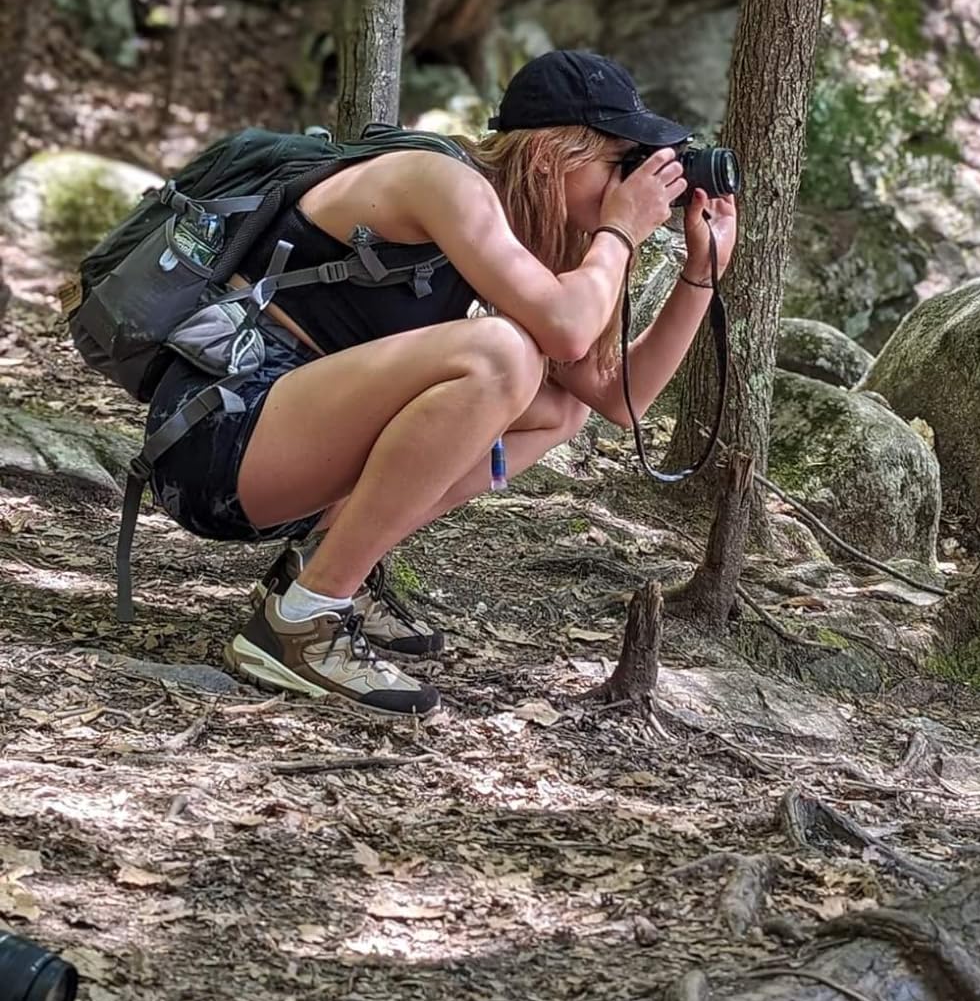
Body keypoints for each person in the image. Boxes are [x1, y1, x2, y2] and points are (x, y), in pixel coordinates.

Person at [145, 50, 738, 721]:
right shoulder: (443, 183)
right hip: (217, 439)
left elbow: (613, 396)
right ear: (551, 156)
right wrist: (619, 231)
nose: (624, 186)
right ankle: (303, 622)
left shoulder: (516, 227)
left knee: (556, 407)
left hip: (278, 451)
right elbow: (570, 330)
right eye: (616, 164)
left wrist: (701, 273)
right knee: (502, 355)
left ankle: (314, 567)